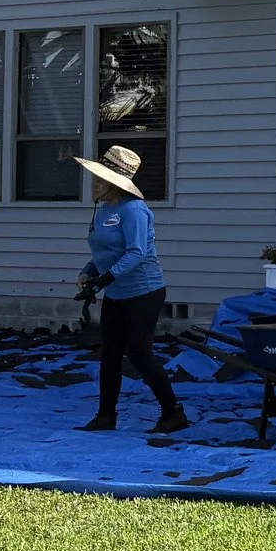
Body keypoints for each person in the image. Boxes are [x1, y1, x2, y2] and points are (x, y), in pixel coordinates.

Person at [75, 145, 187, 434]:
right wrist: (89, 272)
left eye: (99, 179)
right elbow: (105, 250)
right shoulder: (104, 210)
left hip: (144, 292)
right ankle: (105, 416)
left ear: (115, 183)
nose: (93, 183)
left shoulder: (134, 210)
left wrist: (105, 278)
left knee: (139, 354)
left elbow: (136, 252)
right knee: (109, 354)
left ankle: (173, 412)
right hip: (115, 291)